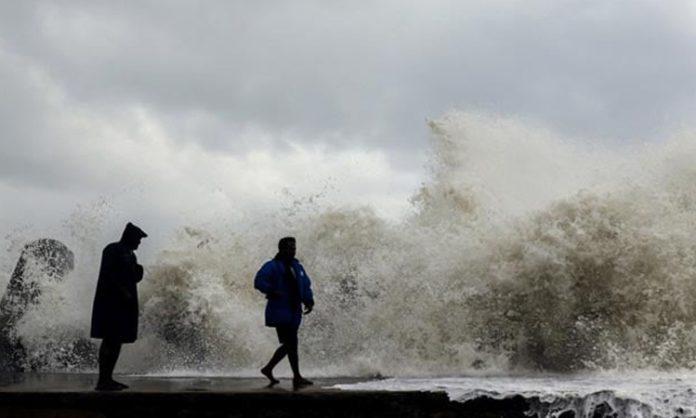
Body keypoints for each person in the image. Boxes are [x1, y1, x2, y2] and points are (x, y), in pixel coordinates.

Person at [90, 222, 147, 391]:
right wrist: (122, 290)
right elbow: (108, 274)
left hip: (124, 304)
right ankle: (103, 380)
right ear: (129, 236)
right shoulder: (112, 249)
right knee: (110, 340)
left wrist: (139, 271)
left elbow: (133, 278)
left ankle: (108, 379)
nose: (139, 243)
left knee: (116, 342)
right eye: (138, 239)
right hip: (111, 303)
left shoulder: (130, 254)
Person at [254, 237, 314, 388]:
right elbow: (259, 281)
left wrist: (309, 300)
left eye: (294, 247)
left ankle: (269, 369)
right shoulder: (272, 265)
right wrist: (271, 290)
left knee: (290, 344)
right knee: (291, 343)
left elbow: (306, 285)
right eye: (289, 248)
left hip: (294, 310)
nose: (293, 250)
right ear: (281, 249)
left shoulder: (297, 267)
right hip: (280, 310)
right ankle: (296, 376)